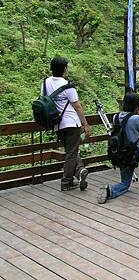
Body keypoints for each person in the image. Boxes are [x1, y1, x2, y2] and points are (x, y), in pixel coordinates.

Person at [43, 57, 92, 191]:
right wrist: (86, 124)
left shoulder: (45, 82)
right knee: (71, 153)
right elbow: (77, 107)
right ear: (65, 69)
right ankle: (66, 182)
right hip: (71, 123)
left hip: (57, 124)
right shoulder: (68, 86)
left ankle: (80, 171)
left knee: (71, 151)